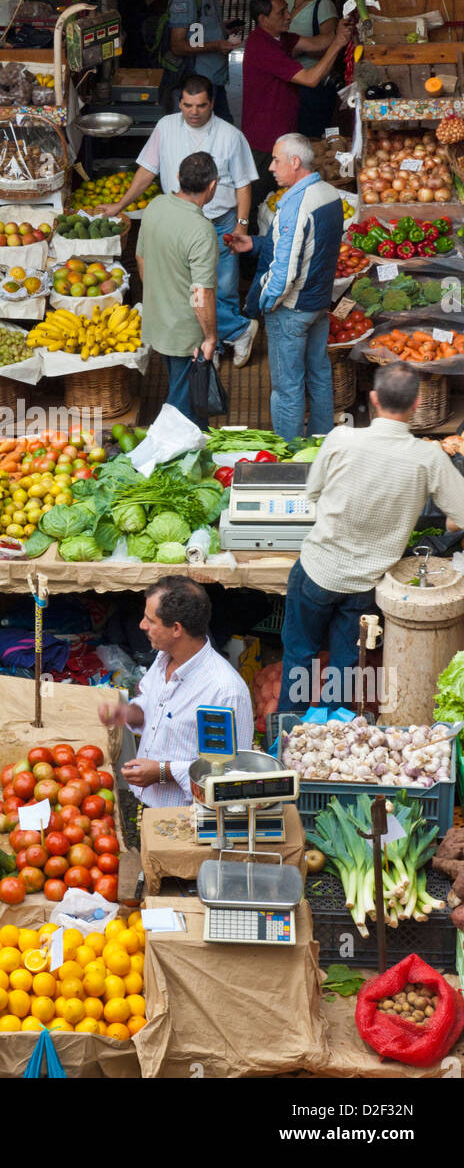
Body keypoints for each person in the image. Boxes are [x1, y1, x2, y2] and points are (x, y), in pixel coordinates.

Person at [277, 363, 464, 714]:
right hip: (365, 586)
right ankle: (330, 744)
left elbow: (313, 492)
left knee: (299, 656)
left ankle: (288, 740)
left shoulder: (341, 437)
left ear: (374, 399)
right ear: (416, 403)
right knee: (345, 668)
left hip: (318, 570)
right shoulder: (428, 458)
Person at [97, 75, 259, 366]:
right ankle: (236, 332)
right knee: (192, 291)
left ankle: (220, 342)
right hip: (179, 221)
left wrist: (241, 225)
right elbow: (147, 171)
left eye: (200, 106)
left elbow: (243, 185)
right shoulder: (166, 126)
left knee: (220, 289)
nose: (193, 112)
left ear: (212, 104)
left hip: (220, 223)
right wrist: (120, 204)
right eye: (187, 105)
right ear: (179, 102)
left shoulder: (230, 135)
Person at [224, 133, 342, 441]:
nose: (271, 168)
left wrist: (263, 304)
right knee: (319, 375)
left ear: (295, 162)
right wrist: (256, 244)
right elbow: (307, 247)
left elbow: (286, 271)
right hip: (318, 305)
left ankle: (290, 457)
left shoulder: (296, 206)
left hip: (291, 310)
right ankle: (320, 444)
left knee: (287, 388)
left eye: (276, 160)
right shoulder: (329, 194)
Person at [98, 577, 253, 809]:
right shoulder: (163, 659)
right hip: (149, 806)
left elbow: (231, 771)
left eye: (150, 620)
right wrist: (129, 713)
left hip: (188, 818)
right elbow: (152, 708)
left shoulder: (225, 692)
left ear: (176, 629)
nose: (141, 625)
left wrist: (163, 772)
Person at [242, 0, 351, 215]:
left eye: (287, 10)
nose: (289, 16)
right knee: (260, 201)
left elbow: (316, 44)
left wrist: (342, 30)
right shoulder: (260, 45)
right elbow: (310, 79)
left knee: (279, 201)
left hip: (282, 136)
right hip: (264, 142)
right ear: (263, 20)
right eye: (281, 13)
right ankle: (251, 247)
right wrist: (338, 45)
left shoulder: (280, 38)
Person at [135, 152, 219, 426]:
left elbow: (141, 257)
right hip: (185, 333)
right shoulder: (201, 229)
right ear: (213, 186)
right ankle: (169, 458)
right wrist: (210, 338)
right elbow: (201, 294)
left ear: (178, 179)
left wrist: (160, 295)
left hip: (158, 321)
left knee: (182, 392)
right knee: (182, 412)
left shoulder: (156, 206)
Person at [155, 0, 240, 118]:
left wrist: (221, 29)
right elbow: (178, 46)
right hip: (198, 80)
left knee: (220, 131)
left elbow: (196, 32)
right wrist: (216, 45)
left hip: (214, 76)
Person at [285, 0, 339, 138]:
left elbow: (330, 47)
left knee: (312, 134)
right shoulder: (286, 2)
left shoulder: (323, 6)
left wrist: (299, 49)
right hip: (291, 81)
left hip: (314, 83)